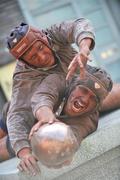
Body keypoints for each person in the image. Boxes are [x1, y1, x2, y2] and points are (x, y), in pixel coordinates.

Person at [5, 19, 95, 171]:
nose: (42, 57)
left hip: (70, 96)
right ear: (26, 62)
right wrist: (24, 153)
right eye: (33, 57)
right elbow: (17, 115)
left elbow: (78, 25)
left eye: (41, 48)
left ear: (44, 38)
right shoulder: (23, 76)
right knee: (6, 144)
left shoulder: (53, 34)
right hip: (28, 109)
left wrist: (84, 48)